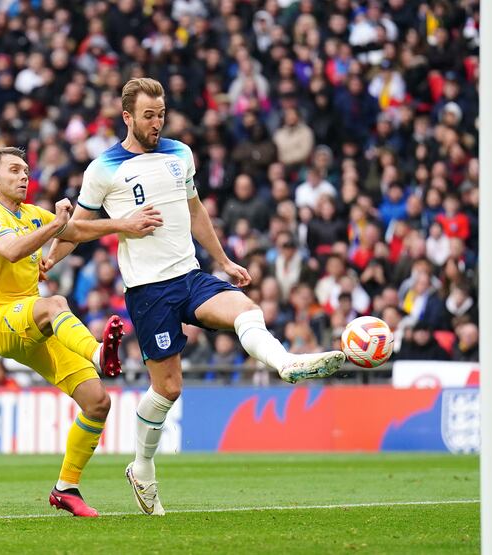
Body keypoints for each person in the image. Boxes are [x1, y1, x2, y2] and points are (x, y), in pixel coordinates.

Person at [45, 78, 346, 516]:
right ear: (127, 117)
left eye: (161, 114)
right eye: (148, 115)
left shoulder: (179, 154)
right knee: (167, 388)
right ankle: (142, 468)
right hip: (148, 292)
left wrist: (222, 260)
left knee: (246, 309)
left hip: (190, 275)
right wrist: (55, 256)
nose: (156, 122)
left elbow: (195, 210)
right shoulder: (103, 169)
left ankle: (287, 363)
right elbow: (77, 228)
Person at [0, 147, 163, 517]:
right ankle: (96, 353)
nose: (24, 176)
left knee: (97, 401)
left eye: (26, 170)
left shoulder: (30, 215)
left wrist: (124, 224)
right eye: (14, 170)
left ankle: (65, 488)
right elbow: (10, 251)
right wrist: (54, 227)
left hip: (31, 322)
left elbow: (79, 229)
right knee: (55, 301)